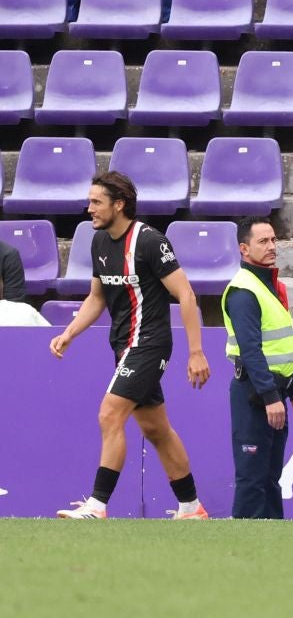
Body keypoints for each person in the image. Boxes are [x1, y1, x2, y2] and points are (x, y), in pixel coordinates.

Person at [48, 173, 212, 521]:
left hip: (150, 344)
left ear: (118, 204)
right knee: (156, 428)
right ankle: (191, 507)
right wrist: (70, 333)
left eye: (96, 202)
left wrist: (196, 351)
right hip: (124, 346)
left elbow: (185, 294)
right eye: (89, 201)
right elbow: (97, 297)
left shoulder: (150, 241)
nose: (88, 208)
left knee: (109, 414)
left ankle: (97, 506)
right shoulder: (99, 243)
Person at [223, 217, 293, 520]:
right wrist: (272, 397)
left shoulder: (270, 286)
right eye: (263, 241)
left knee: (271, 475)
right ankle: (243, 546)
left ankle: (273, 542)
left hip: (275, 390)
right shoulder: (244, 289)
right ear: (244, 249)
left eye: (274, 240)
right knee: (252, 474)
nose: (272, 246)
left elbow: (280, 349)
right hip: (255, 392)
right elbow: (251, 350)